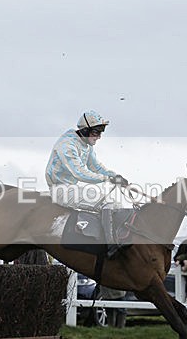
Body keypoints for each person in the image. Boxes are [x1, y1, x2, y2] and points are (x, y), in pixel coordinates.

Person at [45, 110, 130, 258]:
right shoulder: (67, 145)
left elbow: (96, 166)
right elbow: (80, 173)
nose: (99, 137)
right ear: (85, 130)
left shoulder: (86, 144)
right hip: (60, 190)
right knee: (107, 203)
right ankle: (110, 247)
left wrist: (115, 175)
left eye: (101, 132)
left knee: (116, 204)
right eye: (96, 132)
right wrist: (107, 179)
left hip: (72, 187)